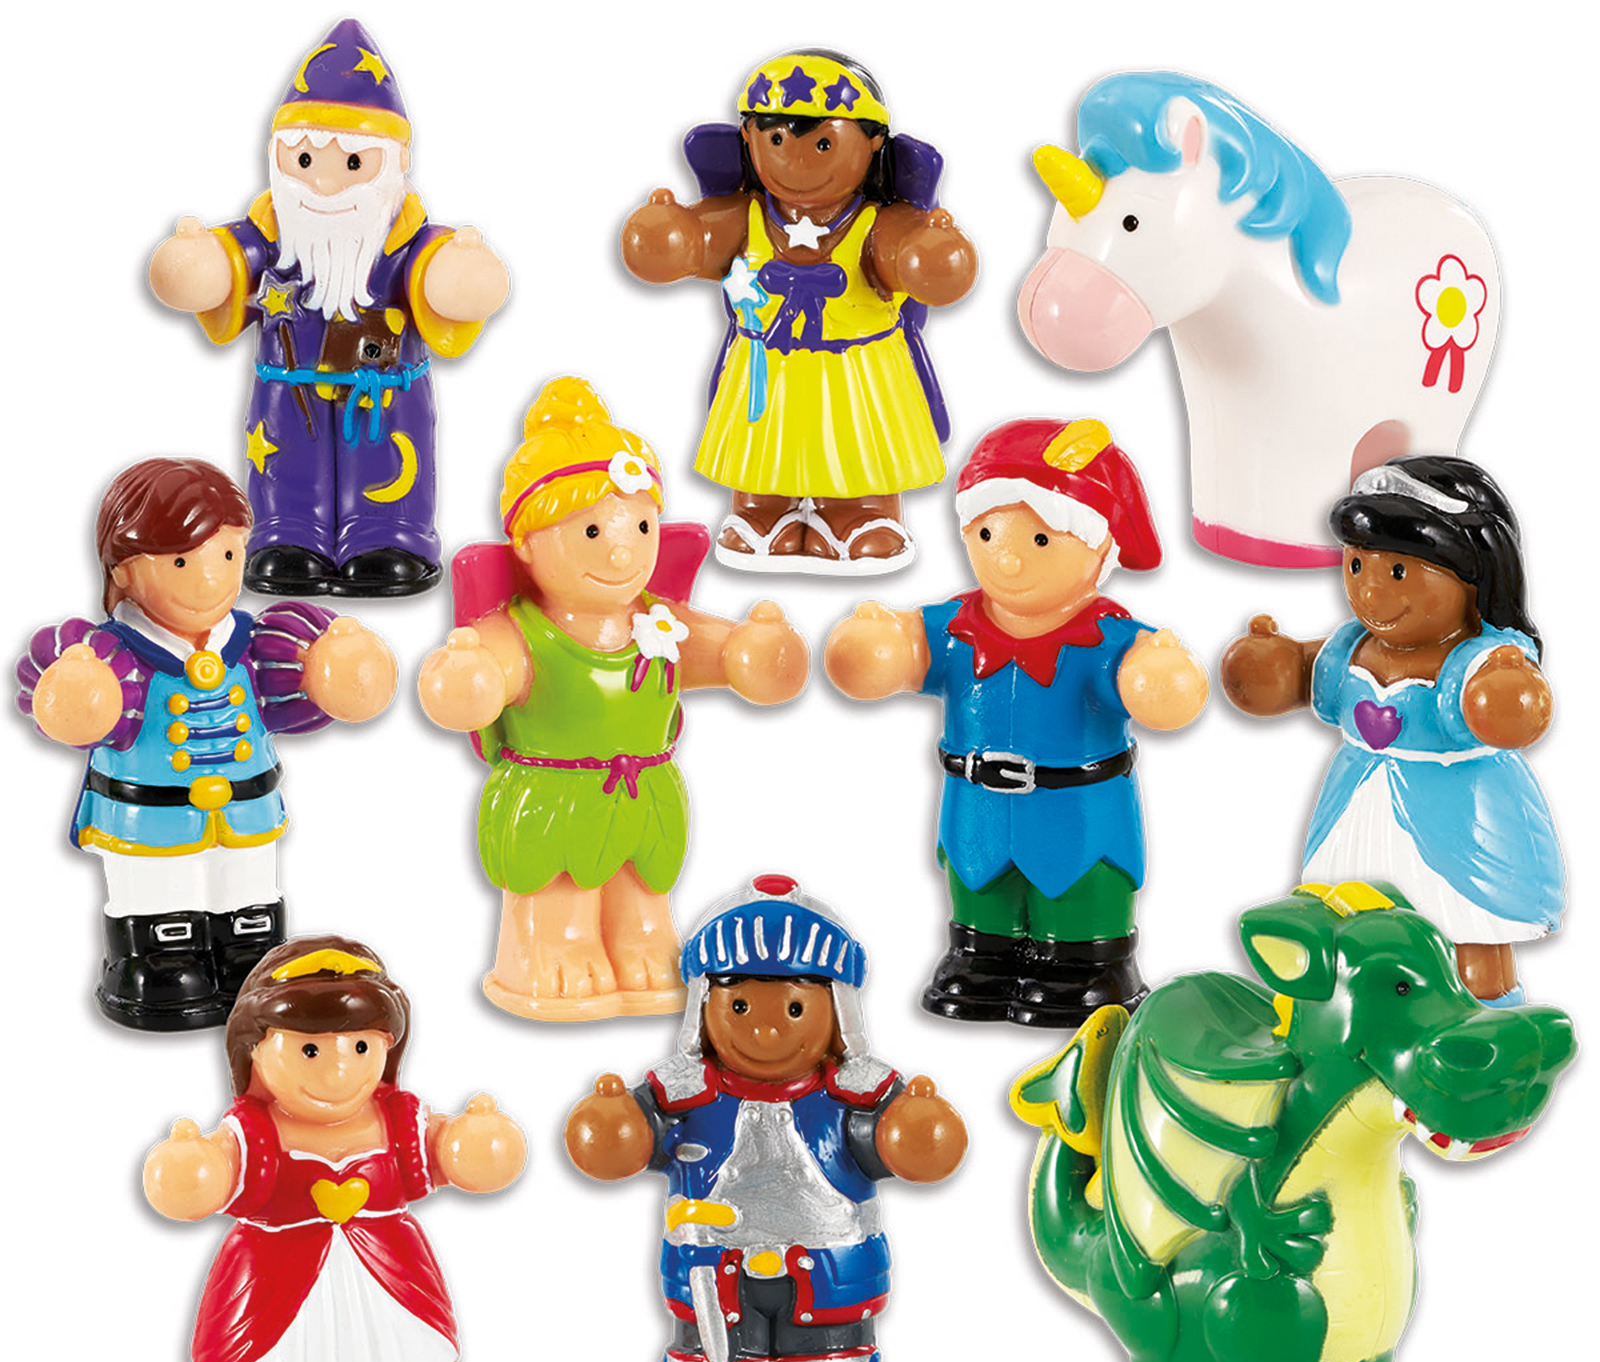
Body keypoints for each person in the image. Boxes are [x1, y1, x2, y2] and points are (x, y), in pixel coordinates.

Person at [418, 378, 808, 1020]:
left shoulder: (659, 622)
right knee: (558, 887)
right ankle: (550, 946)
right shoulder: (522, 631)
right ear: (526, 544)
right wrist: (468, 676)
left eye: (641, 525)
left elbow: (728, 656)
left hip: (644, 792)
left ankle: (641, 941)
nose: (623, 548)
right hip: (553, 794)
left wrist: (753, 650)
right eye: (594, 530)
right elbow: (478, 681)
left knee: (643, 889)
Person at [565, 875, 966, 1362]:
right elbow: (627, 1141)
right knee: (717, 1358)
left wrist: (914, 1131)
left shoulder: (852, 1097)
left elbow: (906, 1146)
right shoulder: (683, 1095)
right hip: (712, 1269)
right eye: (742, 1008)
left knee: (825, 1357)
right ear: (706, 1006)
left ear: (835, 1010)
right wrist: (615, 1124)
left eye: (795, 1009)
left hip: (826, 1267)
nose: (767, 1030)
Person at [826, 417, 1207, 1027]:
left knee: (1080, 888)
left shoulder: (1103, 640)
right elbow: (896, 654)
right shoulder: (954, 630)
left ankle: (1086, 966)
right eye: (987, 532)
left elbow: (1155, 688)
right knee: (979, 886)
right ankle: (982, 958)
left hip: (1076, 815)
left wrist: (1157, 674)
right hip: (976, 811)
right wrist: (879, 643)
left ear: (1098, 548)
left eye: (1040, 540)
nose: (1006, 555)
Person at [143, 936, 525, 1362]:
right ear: (256, 1051)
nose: (339, 1070)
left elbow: (452, 1154)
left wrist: (476, 1141)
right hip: (280, 1274)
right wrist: (189, 1165)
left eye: (361, 1046)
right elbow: (211, 1176)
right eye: (310, 1051)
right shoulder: (255, 1132)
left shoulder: (396, 1120)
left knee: (380, 1357)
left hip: (383, 1269)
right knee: (291, 1360)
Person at [16, 457, 395, 1029]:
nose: (211, 579)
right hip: (152, 814)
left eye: (227, 556)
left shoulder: (251, 642)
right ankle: (156, 958)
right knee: (158, 890)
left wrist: (335, 668)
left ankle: (246, 949)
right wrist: (76, 691)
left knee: (247, 886)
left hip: (245, 806)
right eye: (180, 562)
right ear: (123, 571)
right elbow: (68, 703)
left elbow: (297, 684)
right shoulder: (112, 654)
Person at [147, 18, 510, 596]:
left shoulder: (406, 240)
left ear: (396, 163)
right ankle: (288, 531)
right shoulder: (271, 235)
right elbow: (216, 269)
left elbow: (447, 278)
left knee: (391, 461)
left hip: (384, 395)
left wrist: (463, 273)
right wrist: (196, 262)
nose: (324, 185)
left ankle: (389, 532)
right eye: (305, 162)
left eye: (353, 164)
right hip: (287, 393)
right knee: (284, 457)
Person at [1221, 456, 1562, 1003]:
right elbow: (1300, 675)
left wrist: (1504, 696)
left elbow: (1511, 710)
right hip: (1361, 804)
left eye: (1398, 572)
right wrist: (1271, 664)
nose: (1370, 592)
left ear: (1472, 579)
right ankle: (1349, 1011)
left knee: (1465, 926)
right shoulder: (1353, 647)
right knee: (1347, 914)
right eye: (1358, 566)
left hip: (1456, 816)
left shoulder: (1477, 657)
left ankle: (1483, 1012)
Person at [621, 48, 977, 572]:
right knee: (762, 444)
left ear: (872, 143)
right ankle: (761, 510)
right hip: (766, 366)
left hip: (857, 369)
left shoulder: (876, 224)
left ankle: (861, 511)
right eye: (777, 141)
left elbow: (911, 257)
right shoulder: (746, 216)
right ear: (750, 138)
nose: (796, 162)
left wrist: (931, 253)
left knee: (857, 443)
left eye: (823, 144)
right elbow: (693, 243)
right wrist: (668, 233)